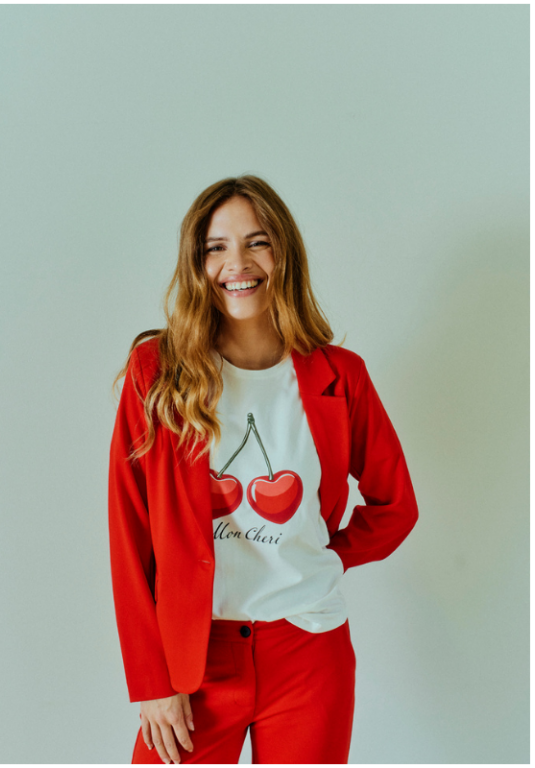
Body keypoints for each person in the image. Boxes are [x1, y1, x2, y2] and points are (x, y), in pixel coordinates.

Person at [108, 175, 418, 764]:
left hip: (309, 652)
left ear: (284, 254)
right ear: (196, 263)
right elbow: (130, 531)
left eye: (257, 242)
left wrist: (326, 555)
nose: (238, 263)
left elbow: (396, 506)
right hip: (195, 660)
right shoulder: (158, 372)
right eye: (216, 247)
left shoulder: (340, 376)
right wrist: (152, 681)